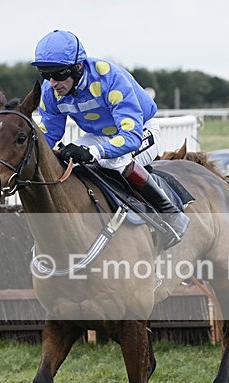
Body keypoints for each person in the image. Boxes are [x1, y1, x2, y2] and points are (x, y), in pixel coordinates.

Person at [31, 29, 189, 248]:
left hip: (140, 130)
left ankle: (171, 215)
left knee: (115, 161)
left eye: (58, 74)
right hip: (99, 135)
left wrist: (93, 152)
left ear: (78, 67)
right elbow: (48, 135)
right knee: (65, 164)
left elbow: (131, 137)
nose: (52, 83)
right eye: (45, 75)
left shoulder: (110, 78)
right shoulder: (51, 93)